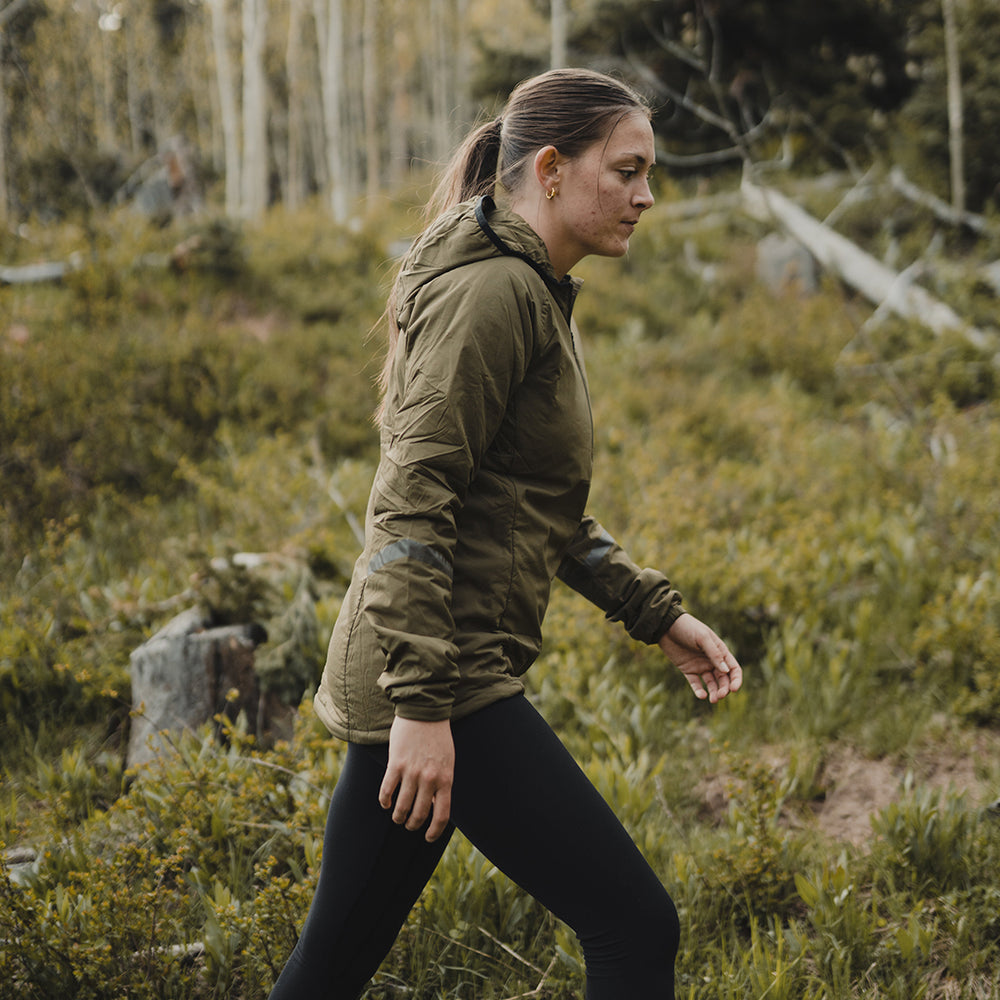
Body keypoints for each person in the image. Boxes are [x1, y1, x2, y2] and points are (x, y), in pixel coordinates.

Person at [268, 67, 742, 1000]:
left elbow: (529, 498)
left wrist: (653, 612)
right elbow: (408, 505)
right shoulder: (495, 295)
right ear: (554, 169)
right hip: (443, 675)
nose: (648, 195)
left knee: (328, 972)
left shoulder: (532, 287)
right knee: (633, 925)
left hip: (430, 668)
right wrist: (422, 708)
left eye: (652, 172)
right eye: (629, 168)